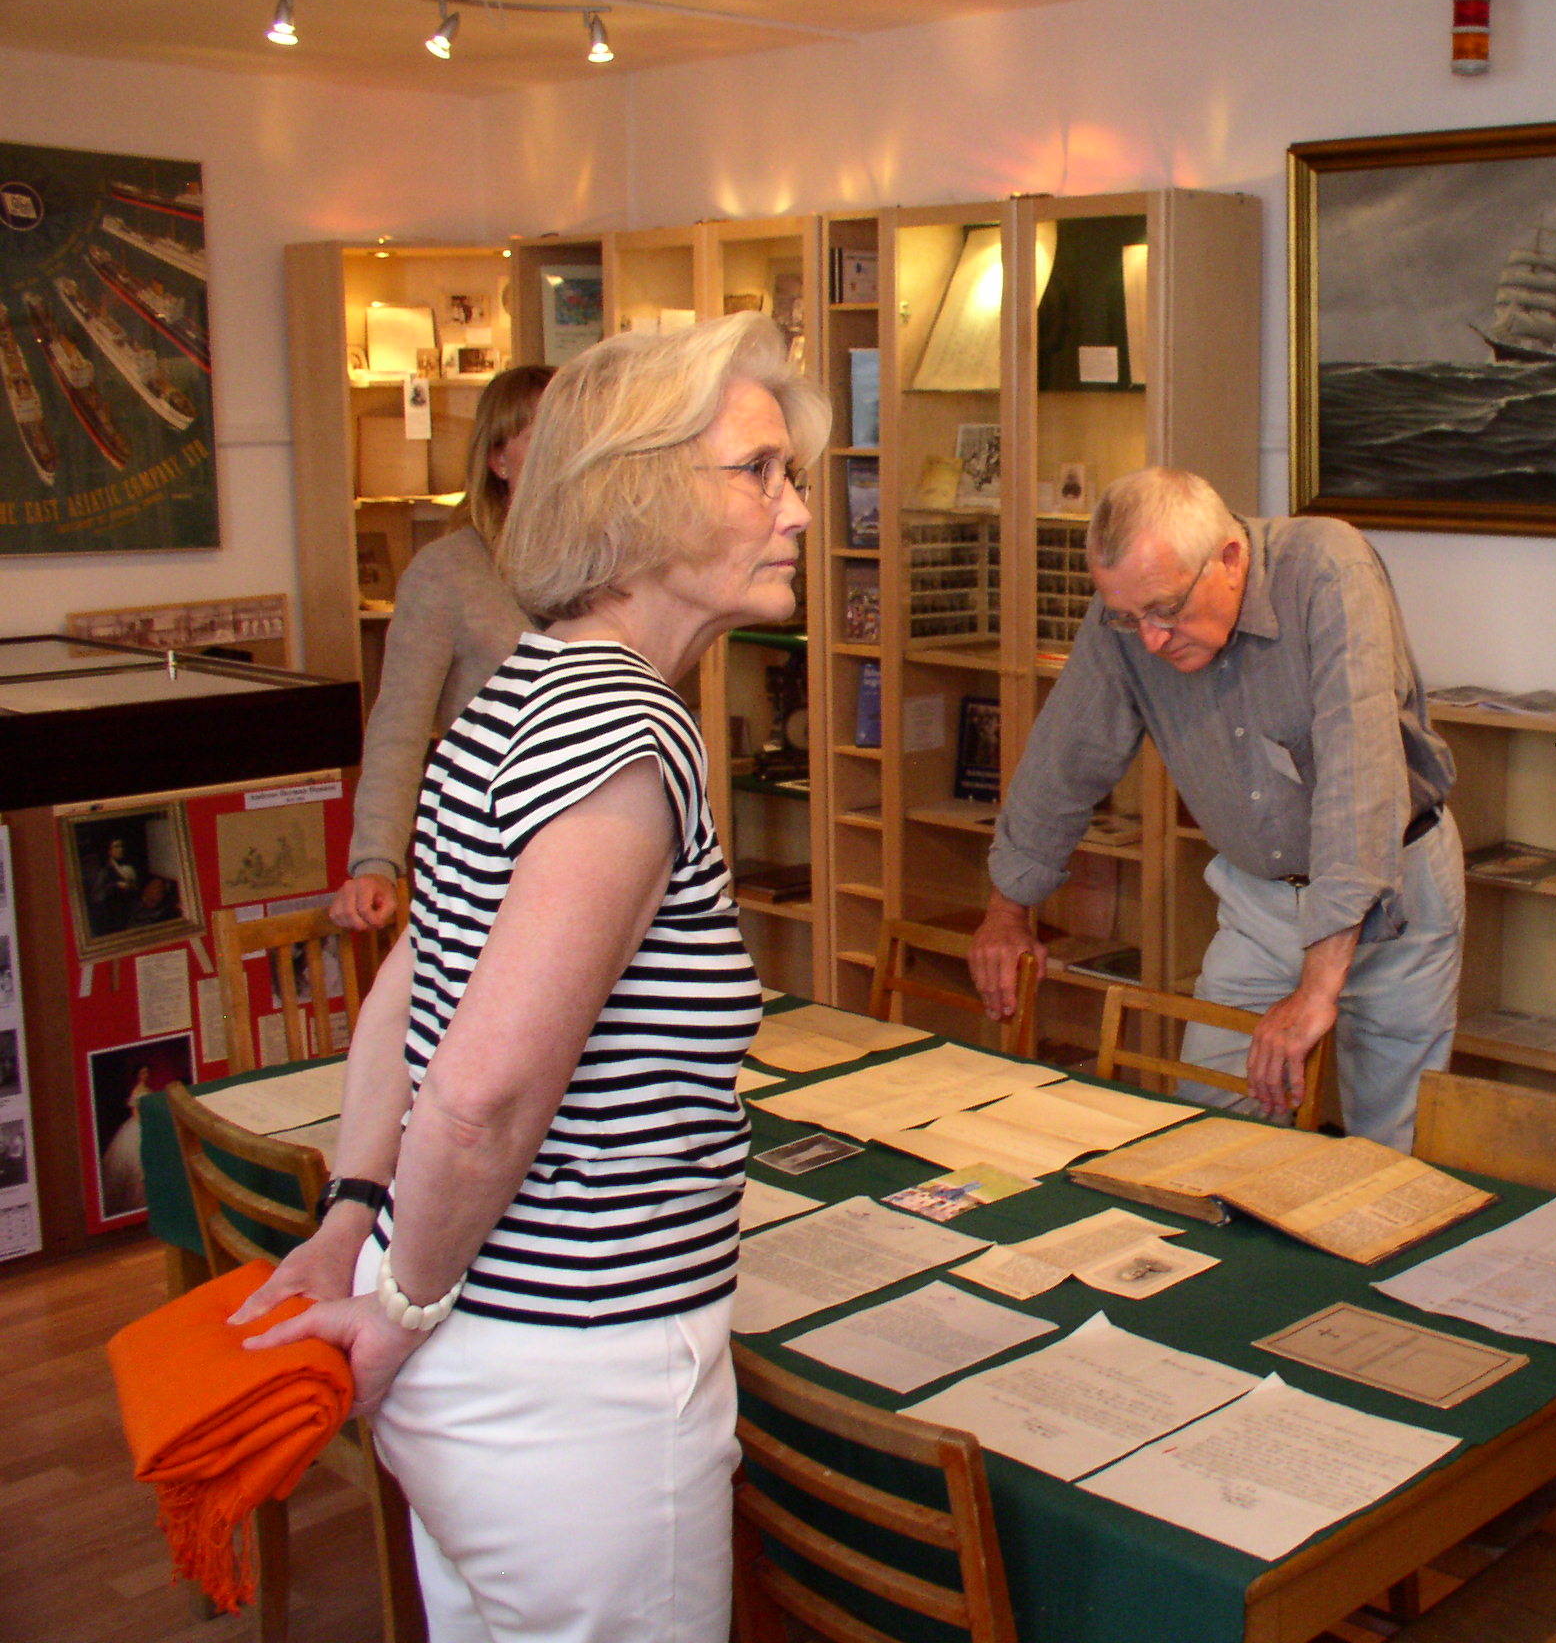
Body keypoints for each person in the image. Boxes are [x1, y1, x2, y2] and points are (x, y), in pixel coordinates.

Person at [236, 312, 826, 1643]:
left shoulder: (522, 693)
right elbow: (482, 1093)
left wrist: (354, 1219)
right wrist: (399, 1303)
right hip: (573, 1388)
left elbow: (410, 989)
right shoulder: (624, 733)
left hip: (481, 1366)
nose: (794, 509)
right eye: (759, 472)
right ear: (637, 494)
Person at [970, 469, 1460, 1151]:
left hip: (1393, 888)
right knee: (1209, 1123)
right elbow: (1067, 754)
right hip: (1259, 898)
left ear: (1229, 559)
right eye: (1129, 618)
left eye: (1165, 610)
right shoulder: (1132, 609)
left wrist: (1317, 989)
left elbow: (1360, 783)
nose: (1150, 639)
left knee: (1388, 1140)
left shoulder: (1328, 568)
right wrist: (1007, 912)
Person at [329, 364, 553, 933]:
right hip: (487, 857)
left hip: (589, 847)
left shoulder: (607, 566)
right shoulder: (445, 572)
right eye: (545, 436)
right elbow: (398, 728)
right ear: (499, 460)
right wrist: (375, 861)